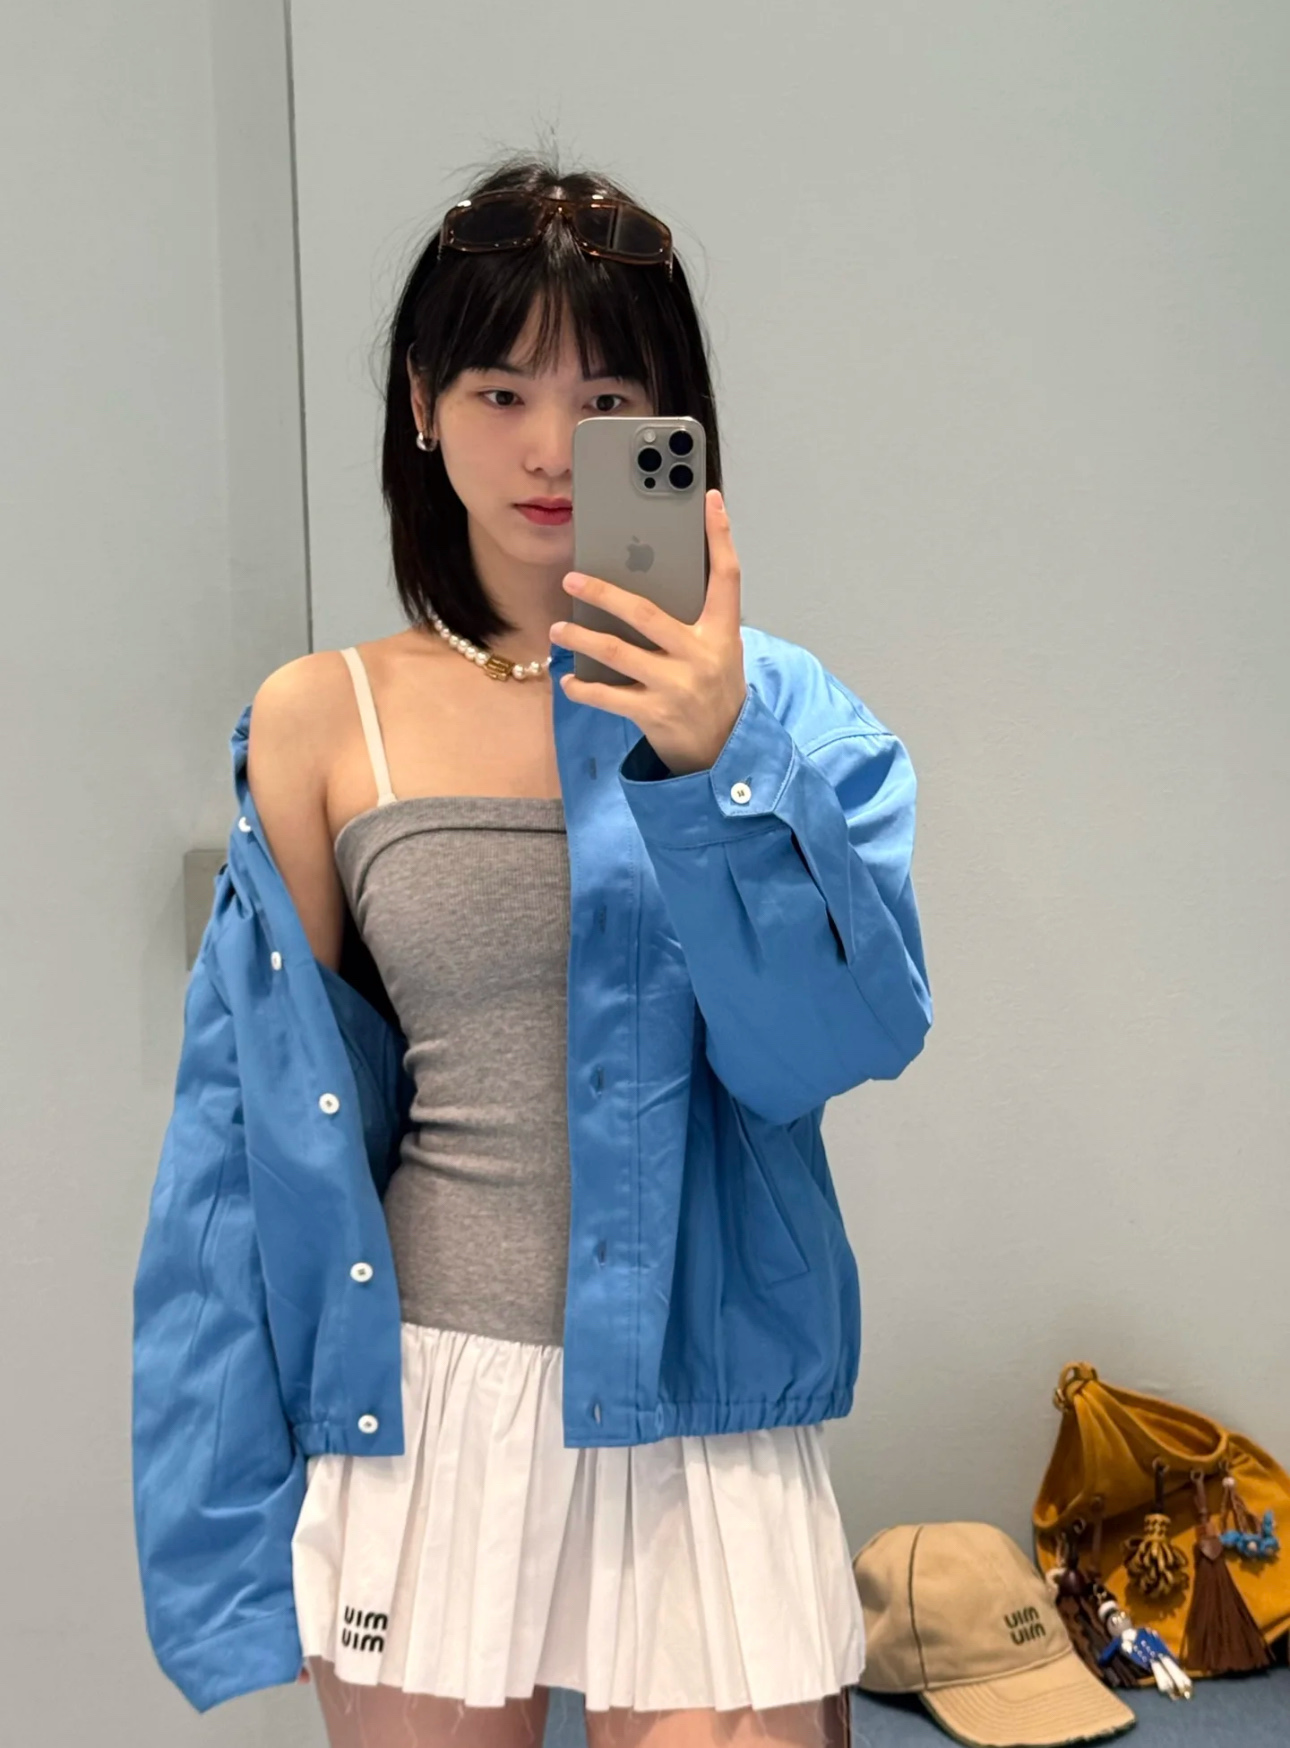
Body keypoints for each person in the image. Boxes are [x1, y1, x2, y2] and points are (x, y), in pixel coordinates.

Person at [131, 152, 934, 1748]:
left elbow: (833, 1044)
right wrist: (219, 1509)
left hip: (699, 1396)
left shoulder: (779, 714)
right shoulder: (322, 718)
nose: (553, 448)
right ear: (422, 407)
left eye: (605, 397)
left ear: (671, 425)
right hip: (427, 1402)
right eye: (501, 391)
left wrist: (713, 764)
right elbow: (241, 1146)